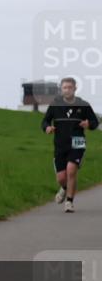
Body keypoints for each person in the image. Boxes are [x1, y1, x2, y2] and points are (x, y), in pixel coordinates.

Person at [42, 77, 98, 212]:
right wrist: (47, 128)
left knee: (71, 170)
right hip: (60, 144)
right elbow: (45, 121)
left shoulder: (83, 104)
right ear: (61, 89)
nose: (67, 90)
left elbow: (95, 122)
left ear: (75, 88)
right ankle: (65, 188)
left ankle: (69, 202)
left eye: (69, 87)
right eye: (64, 88)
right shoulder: (55, 105)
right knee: (61, 177)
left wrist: (88, 124)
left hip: (77, 142)